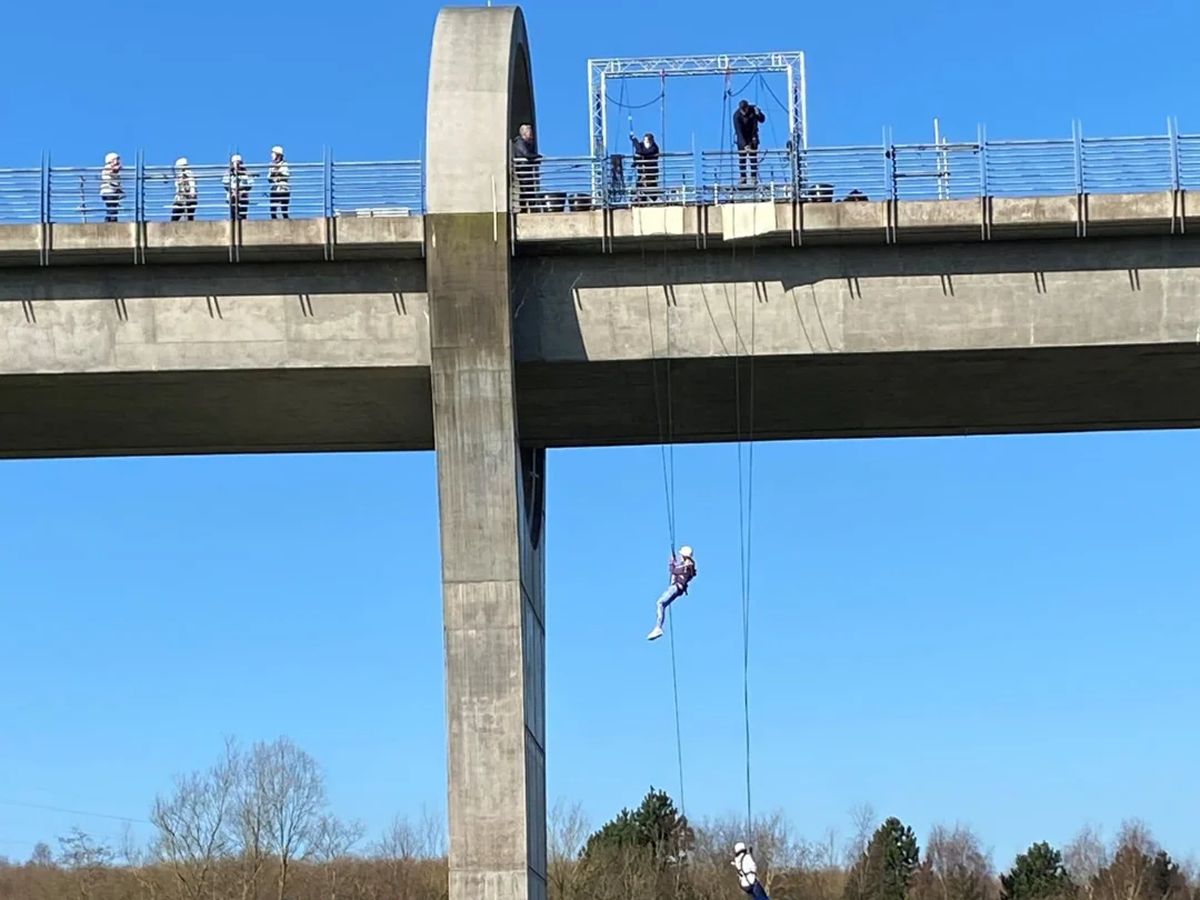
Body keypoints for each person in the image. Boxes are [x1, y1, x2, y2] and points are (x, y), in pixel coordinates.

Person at [647, 546, 696, 641]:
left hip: (676, 588)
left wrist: (671, 563)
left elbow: (675, 571)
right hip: (678, 589)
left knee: (660, 603)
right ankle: (658, 627)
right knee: (662, 604)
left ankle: (658, 627)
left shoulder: (687, 566)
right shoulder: (689, 566)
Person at [733, 100, 766, 185]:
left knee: (753, 158)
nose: (744, 112)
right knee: (742, 158)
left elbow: (762, 120)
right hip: (742, 138)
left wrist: (759, 113)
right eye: (742, 110)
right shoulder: (736, 116)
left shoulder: (753, 110)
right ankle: (743, 177)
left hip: (752, 137)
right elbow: (738, 131)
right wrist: (744, 145)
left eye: (745, 109)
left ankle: (753, 177)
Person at [512, 123, 540, 212]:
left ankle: (530, 208)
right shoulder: (520, 142)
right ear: (524, 133)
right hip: (523, 170)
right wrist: (538, 156)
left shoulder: (527, 143)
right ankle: (524, 209)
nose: (531, 134)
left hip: (526, 170)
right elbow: (526, 154)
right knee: (525, 190)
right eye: (530, 132)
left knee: (529, 190)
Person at [629, 131, 661, 203]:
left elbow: (644, 152)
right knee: (640, 184)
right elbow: (638, 151)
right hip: (642, 171)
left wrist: (636, 142)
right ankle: (640, 198)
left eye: (647, 141)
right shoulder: (641, 145)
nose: (646, 142)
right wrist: (634, 140)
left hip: (650, 171)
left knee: (651, 186)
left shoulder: (654, 148)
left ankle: (654, 199)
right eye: (645, 140)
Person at [223, 154, 253, 220]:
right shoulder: (228, 173)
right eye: (235, 163)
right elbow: (225, 183)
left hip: (242, 193)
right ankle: (234, 215)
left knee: (244, 197)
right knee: (232, 198)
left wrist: (242, 189)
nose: (237, 165)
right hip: (232, 193)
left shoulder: (245, 173)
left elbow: (250, 183)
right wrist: (232, 190)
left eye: (238, 163)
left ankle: (243, 216)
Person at [99, 152, 123, 222]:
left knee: (113, 207)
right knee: (112, 208)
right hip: (108, 192)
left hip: (113, 191)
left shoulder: (115, 172)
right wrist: (116, 168)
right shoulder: (107, 167)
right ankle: (111, 221)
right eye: (116, 159)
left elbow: (116, 181)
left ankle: (110, 220)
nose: (118, 161)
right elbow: (111, 171)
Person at [268, 145, 290, 219]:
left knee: (284, 210)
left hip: (283, 188)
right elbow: (269, 177)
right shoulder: (271, 165)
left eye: (273, 153)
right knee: (273, 210)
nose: (272, 155)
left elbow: (286, 174)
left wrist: (277, 173)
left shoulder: (284, 164)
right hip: (274, 188)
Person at [171, 157, 197, 221]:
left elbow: (192, 184)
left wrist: (192, 194)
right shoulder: (180, 175)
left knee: (177, 217)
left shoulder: (188, 174)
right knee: (188, 217)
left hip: (187, 199)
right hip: (182, 199)